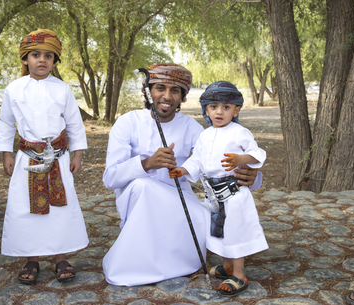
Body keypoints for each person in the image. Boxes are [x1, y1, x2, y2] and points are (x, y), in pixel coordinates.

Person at [102, 64, 261, 286]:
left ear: (182, 97)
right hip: (138, 201)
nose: (166, 96)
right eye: (160, 88)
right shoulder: (128, 122)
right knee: (143, 185)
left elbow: (218, 165)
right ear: (149, 91)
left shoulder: (193, 128)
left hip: (179, 200)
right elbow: (110, 178)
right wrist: (147, 163)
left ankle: (184, 262)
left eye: (175, 90)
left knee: (208, 220)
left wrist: (252, 177)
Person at [0, 29, 88, 285]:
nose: (42, 60)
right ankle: (31, 258)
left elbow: (74, 124)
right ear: (25, 59)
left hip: (58, 157)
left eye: (48, 56)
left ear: (54, 61)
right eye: (36, 55)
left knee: (60, 208)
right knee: (27, 209)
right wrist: (6, 154)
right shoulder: (14, 89)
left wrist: (77, 153)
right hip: (27, 158)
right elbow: (5, 123)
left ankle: (60, 257)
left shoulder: (62, 89)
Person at [169, 81, 268, 296]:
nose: (219, 112)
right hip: (213, 195)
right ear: (206, 110)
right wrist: (183, 170)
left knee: (234, 232)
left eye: (225, 107)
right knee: (218, 231)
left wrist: (241, 158)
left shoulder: (239, 132)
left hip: (233, 194)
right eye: (213, 107)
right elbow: (197, 160)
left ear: (236, 110)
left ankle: (239, 275)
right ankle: (227, 266)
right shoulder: (205, 135)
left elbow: (258, 153)